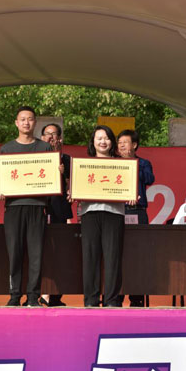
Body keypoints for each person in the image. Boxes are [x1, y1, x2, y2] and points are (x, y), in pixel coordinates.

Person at [0, 106, 52, 307]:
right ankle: (14, 295)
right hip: (14, 207)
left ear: (35, 122)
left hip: (37, 206)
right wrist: (1, 190)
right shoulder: (7, 149)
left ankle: (33, 296)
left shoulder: (45, 148)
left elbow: (51, 177)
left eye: (30, 119)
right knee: (15, 253)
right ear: (16, 123)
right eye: (22, 119)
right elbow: (2, 178)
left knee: (36, 253)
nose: (26, 122)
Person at [76, 125, 137, 307]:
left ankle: (112, 300)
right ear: (93, 142)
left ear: (112, 142)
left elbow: (130, 189)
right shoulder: (83, 167)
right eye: (99, 138)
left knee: (113, 258)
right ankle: (91, 300)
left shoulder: (122, 166)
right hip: (90, 213)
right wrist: (74, 193)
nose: (103, 141)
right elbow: (77, 190)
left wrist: (131, 196)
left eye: (107, 138)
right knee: (90, 258)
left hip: (114, 213)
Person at [117, 129, 155, 307]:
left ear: (134, 145)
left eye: (125, 142)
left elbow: (149, 179)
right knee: (117, 253)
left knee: (138, 254)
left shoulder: (144, 163)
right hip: (118, 211)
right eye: (119, 143)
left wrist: (132, 164)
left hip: (137, 211)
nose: (122, 146)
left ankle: (137, 297)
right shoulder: (113, 163)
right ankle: (116, 296)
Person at [39, 123, 73, 307]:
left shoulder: (67, 160)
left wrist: (64, 173)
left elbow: (74, 185)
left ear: (60, 139)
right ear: (42, 138)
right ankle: (36, 294)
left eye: (54, 135)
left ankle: (55, 296)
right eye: (47, 134)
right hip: (39, 209)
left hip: (60, 210)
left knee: (59, 253)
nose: (51, 138)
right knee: (39, 252)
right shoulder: (35, 158)